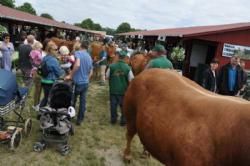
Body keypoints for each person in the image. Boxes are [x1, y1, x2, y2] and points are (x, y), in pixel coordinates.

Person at [65, 41, 93, 126]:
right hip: (85, 83)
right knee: (82, 102)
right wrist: (86, 79)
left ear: (80, 46)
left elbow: (77, 65)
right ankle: (80, 119)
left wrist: (70, 75)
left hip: (77, 82)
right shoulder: (89, 56)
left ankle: (69, 117)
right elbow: (91, 71)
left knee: (72, 100)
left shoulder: (78, 53)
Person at [106, 51, 134, 126]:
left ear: (118, 57)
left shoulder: (111, 66)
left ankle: (113, 120)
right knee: (123, 106)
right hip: (124, 91)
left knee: (113, 106)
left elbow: (107, 76)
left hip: (113, 90)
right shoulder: (128, 68)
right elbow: (131, 80)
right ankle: (123, 121)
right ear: (125, 58)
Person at [40, 41, 64, 107]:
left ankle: (41, 110)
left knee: (46, 97)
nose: (57, 51)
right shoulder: (53, 60)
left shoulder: (45, 57)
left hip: (44, 80)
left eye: (58, 49)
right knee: (49, 98)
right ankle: (42, 112)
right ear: (50, 50)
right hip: (50, 82)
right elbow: (58, 73)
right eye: (55, 49)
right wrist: (63, 70)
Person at [29, 41, 43, 110]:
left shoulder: (32, 52)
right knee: (38, 89)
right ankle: (36, 105)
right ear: (37, 47)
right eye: (40, 48)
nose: (40, 49)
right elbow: (41, 59)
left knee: (36, 89)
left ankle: (36, 104)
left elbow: (31, 60)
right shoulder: (37, 52)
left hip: (33, 69)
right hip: (37, 70)